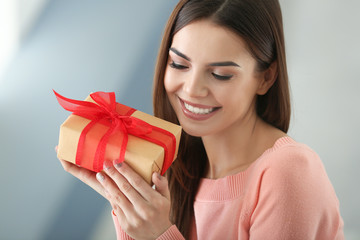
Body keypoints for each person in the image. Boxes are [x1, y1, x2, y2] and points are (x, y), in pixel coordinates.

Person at [57, 0, 344, 239]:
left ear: (266, 77)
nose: (192, 89)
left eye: (220, 74)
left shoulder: (288, 172)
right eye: (179, 64)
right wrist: (126, 208)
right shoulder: (176, 170)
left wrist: (159, 233)